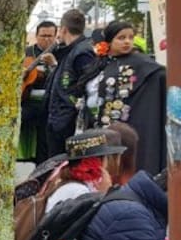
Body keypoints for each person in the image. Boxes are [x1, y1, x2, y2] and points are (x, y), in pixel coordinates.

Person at [71, 20, 168, 174]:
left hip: (123, 131)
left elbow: (160, 79)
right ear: (109, 41)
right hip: (95, 130)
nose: (127, 42)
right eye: (121, 38)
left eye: (130, 37)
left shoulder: (143, 65)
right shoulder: (101, 64)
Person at [45, 9, 95, 157]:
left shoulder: (82, 52)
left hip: (68, 121)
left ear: (63, 29)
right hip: (61, 118)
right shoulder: (71, 51)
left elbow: (87, 86)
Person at [43, 129, 122, 214]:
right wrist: (104, 194)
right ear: (97, 161)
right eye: (106, 158)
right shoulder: (79, 191)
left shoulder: (70, 184)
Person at [20, 20, 58, 163]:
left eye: (50, 36)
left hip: (48, 104)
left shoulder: (59, 53)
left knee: (45, 137)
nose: (47, 39)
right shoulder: (27, 53)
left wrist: (54, 65)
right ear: (36, 36)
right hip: (28, 101)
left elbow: (63, 79)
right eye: (43, 36)